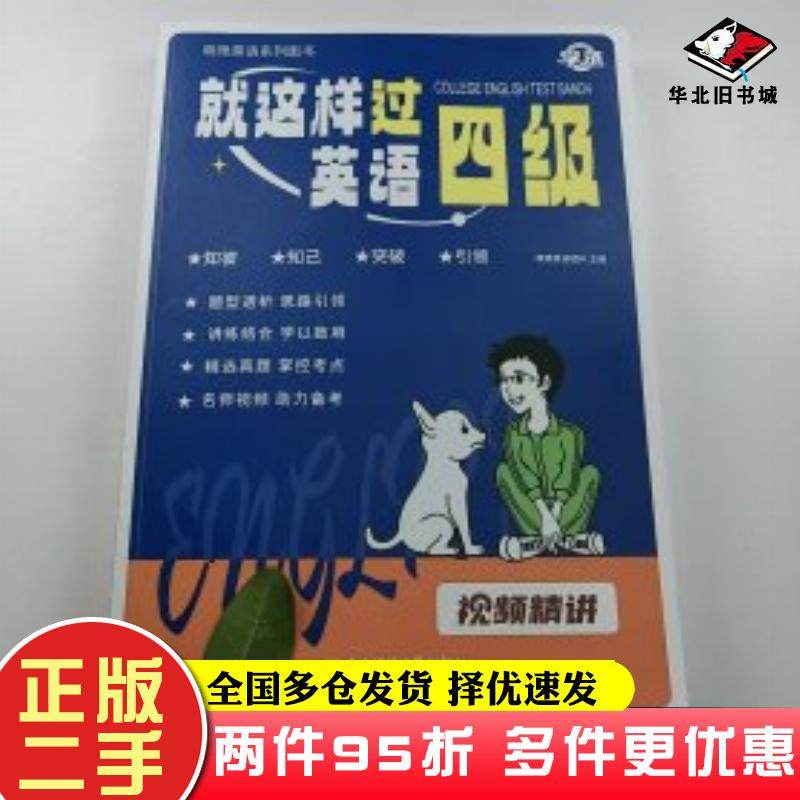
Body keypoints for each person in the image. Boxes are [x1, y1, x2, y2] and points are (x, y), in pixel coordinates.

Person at [488, 335, 604, 558]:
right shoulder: (513, 434)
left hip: (565, 506)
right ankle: (568, 541)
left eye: (518, 379)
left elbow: (567, 479)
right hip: (533, 508)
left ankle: (539, 543)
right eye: (504, 381)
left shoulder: (570, 433)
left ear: (544, 383)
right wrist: (544, 517)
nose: (509, 389)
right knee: (503, 472)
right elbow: (525, 478)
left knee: (590, 474)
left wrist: (555, 515)